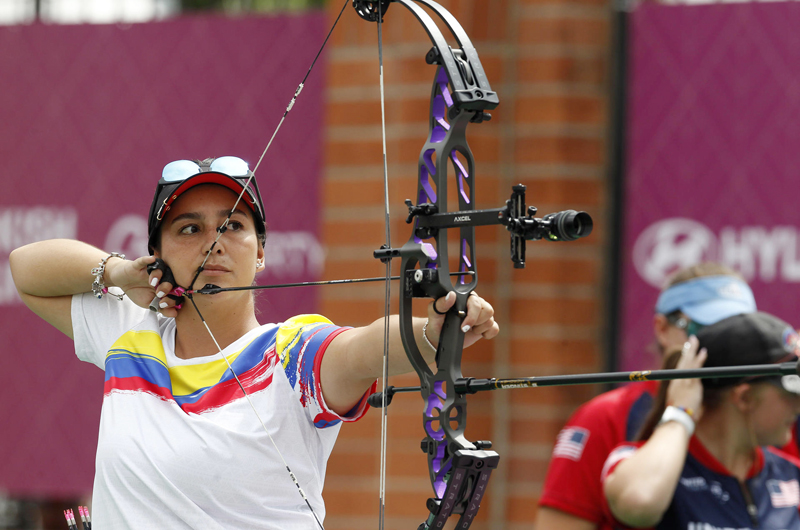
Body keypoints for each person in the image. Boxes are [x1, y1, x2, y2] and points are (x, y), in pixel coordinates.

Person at [9, 156, 499, 529]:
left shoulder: (291, 354)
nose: (213, 242)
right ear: (155, 254)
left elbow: (368, 346)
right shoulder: (128, 332)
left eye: (233, 226)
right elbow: (26, 268)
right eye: (188, 228)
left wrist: (435, 331)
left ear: (261, 251)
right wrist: (117, 272)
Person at [535, 264, 757, 529]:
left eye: (738, 333)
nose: (724, 344)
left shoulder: (770, 415)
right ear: (662, 329)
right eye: (705, 328)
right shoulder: (604, 417)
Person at [602, 311, 800, 528]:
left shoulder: (791, 473)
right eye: (791, 394)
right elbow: (639, 501)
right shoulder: (633, 462)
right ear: (744, 397)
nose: (798, 406)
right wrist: (679, 413)